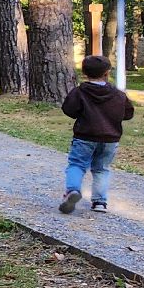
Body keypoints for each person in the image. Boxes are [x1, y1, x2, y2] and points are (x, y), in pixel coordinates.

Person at [59, 55, 134, 215]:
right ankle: (100, 201)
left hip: (84, 136)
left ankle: (72, 191)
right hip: (110, 139)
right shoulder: (118, 95)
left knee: (77, 164)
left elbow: (69, 109)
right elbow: (128, 113)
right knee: (101, 169)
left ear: (84, 73)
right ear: (107, 73)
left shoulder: (79, 92)